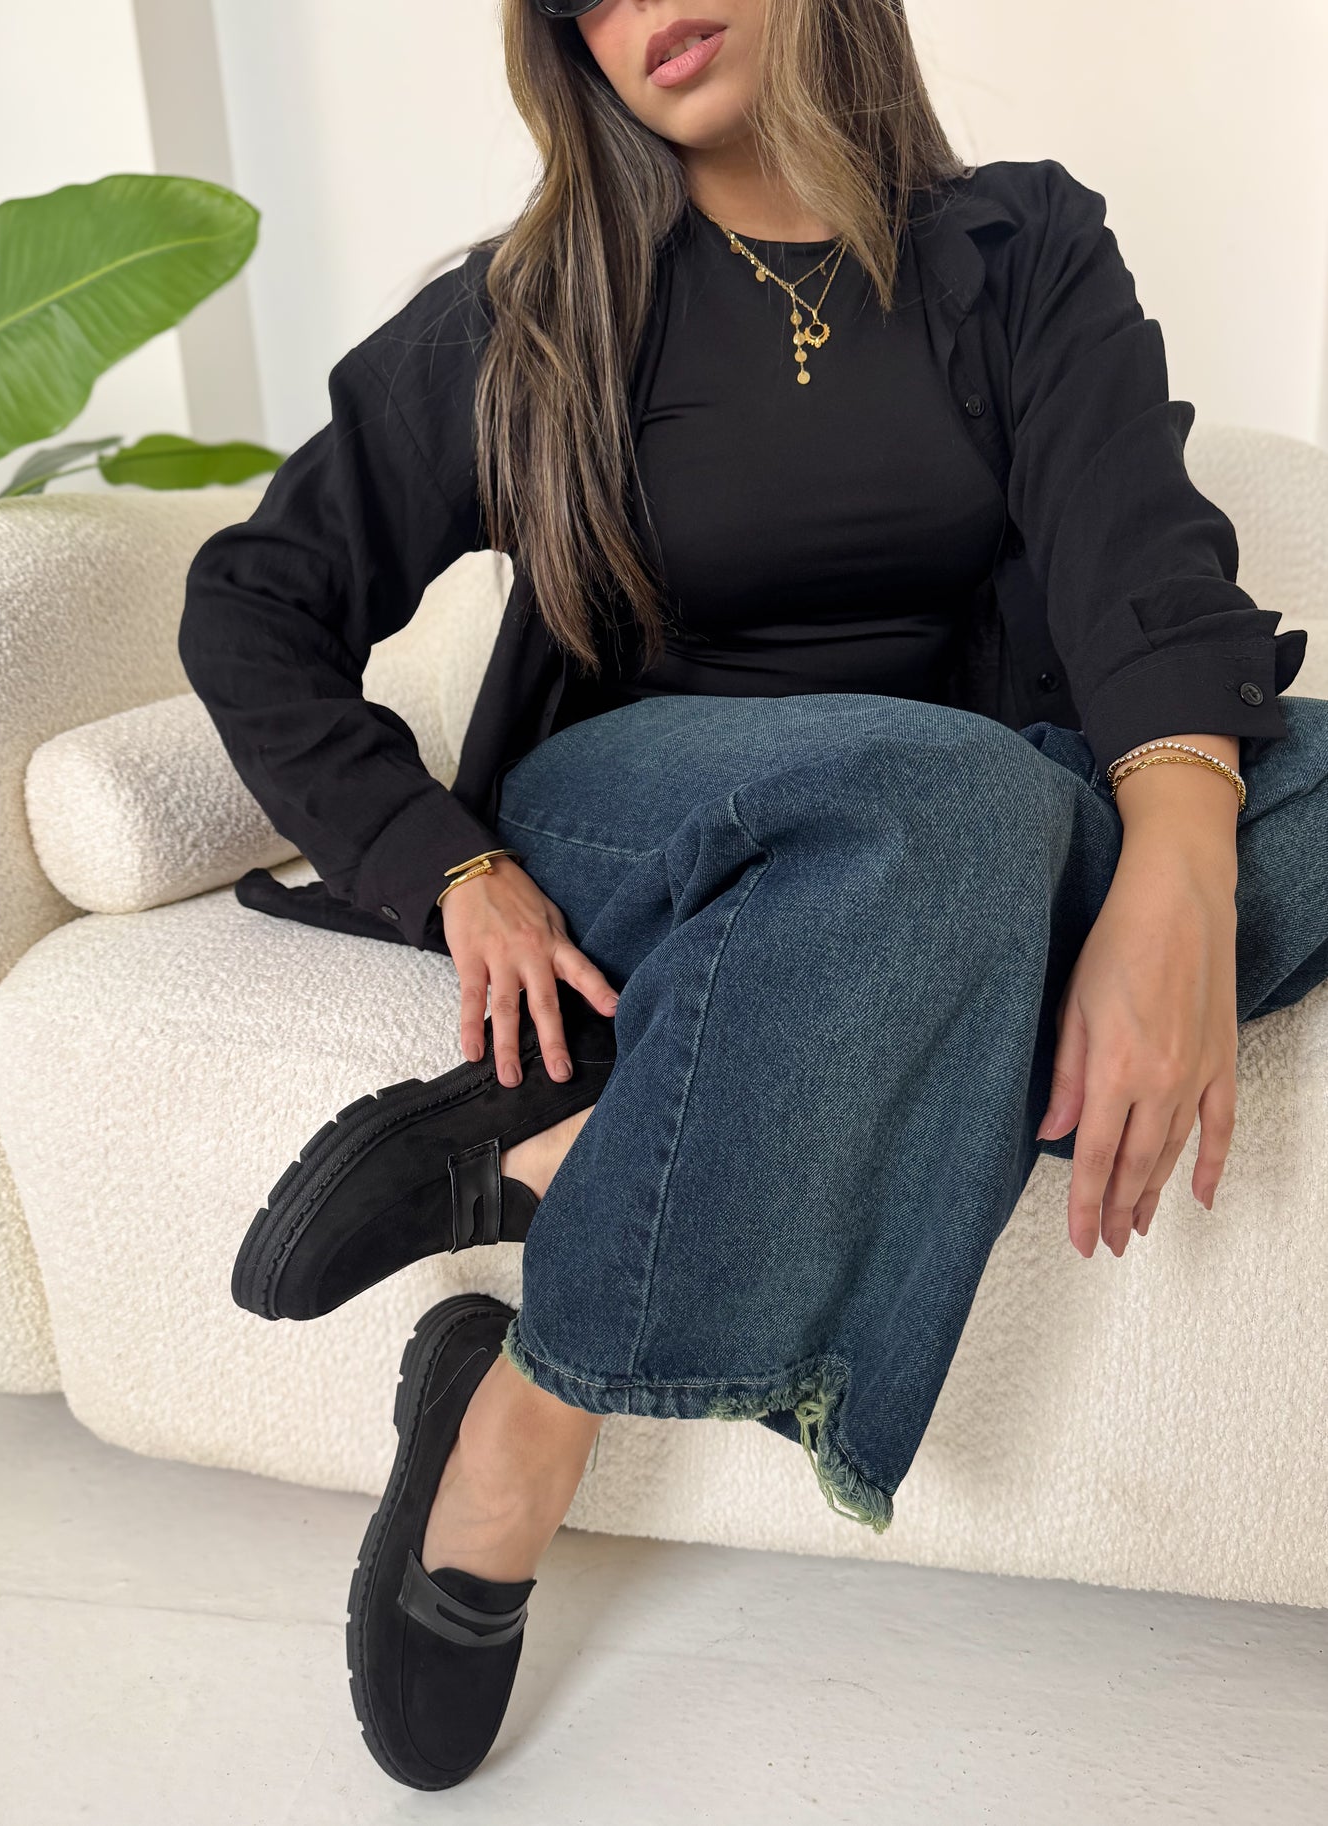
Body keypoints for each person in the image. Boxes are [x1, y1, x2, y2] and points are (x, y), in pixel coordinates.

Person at [176, 0, 1328, 1792]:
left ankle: (562, 1159)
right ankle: (525, 1433)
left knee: (1174, 791)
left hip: (953, 843)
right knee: (962, 804)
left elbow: (1139, 561)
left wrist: (1171, 868)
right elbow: (253, 604)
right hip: (654, 826)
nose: (637, 9)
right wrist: (445, 867)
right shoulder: (529, 311)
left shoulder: (1019, 248)